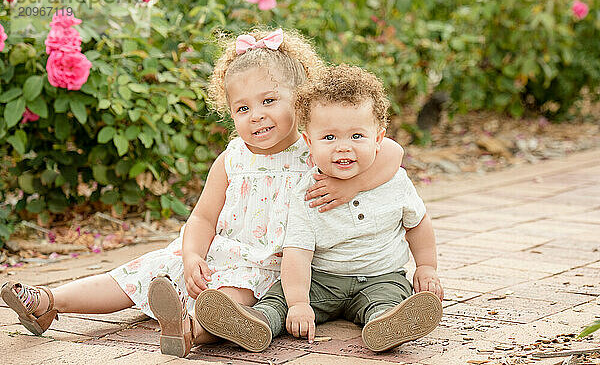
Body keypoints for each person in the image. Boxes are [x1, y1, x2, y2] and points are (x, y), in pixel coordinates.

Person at [1, 30, 404, 358]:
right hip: (214, 255)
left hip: (268, 267)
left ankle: (188, 330)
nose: (257, 115)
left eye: (269, 101)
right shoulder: (232, 158)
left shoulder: (315, 147)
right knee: (134, 276)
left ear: (299, 103)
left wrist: (348, 184)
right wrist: (192, 255)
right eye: (242, 108)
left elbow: (392, 154)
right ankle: (48, 301)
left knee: (229, 302)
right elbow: (203, 217)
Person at [194, 64, 443, 353]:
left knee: (389, 299)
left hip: (381, 276)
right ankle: (255, 321)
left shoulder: (394, 181)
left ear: (379, 139)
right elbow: (298, 253)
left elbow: (418, 224)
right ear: (309, 144)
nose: (343, 148)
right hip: (322, 279)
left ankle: (385, 325)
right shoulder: (307, 191)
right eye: (329, 138)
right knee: (280, 298)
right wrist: (299, 304)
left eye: (357, 136)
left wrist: (426, 266)